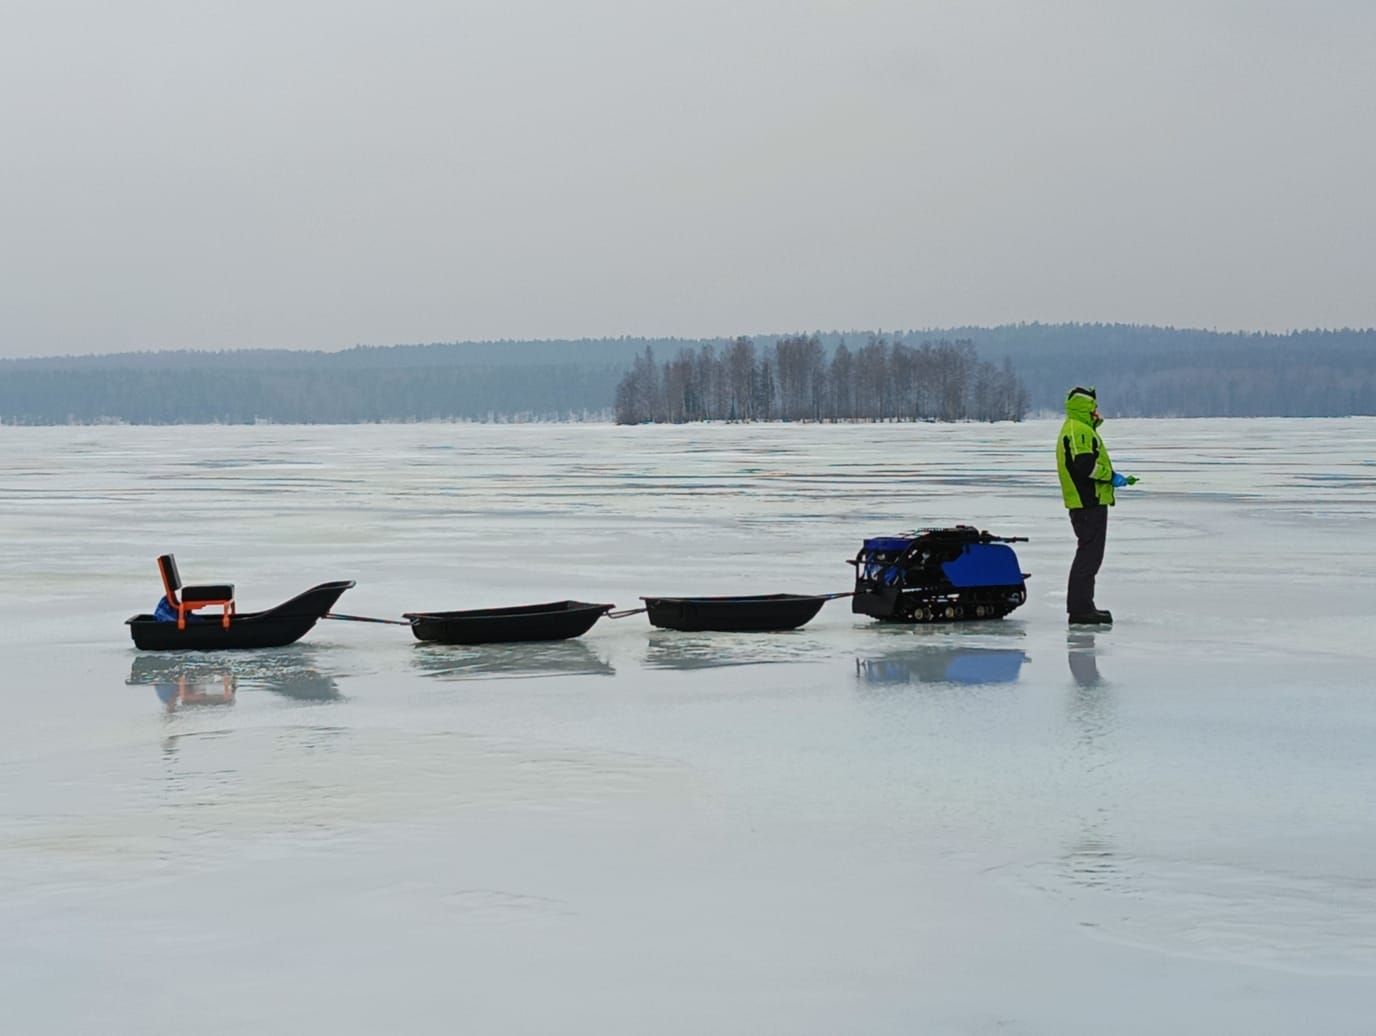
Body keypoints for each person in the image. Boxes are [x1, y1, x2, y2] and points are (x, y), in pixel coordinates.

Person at [1056, 386, 1136, 625]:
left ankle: (1083, 606)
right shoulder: (1078, 430)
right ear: (1085, 407)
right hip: (1087, 503)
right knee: (1088, 557)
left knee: (1090, 555)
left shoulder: (1079, 429)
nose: (1097, 412)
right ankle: (1081, 610)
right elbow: (1084, 466)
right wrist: (1109, 476)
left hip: (1089, 502)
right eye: (1093, 407)